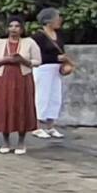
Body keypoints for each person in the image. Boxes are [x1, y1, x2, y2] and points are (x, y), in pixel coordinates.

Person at [0, 18, 41, 154]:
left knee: (21, 107)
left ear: (22, 29)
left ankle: (21, 142)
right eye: (11, 26)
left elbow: (37, 61)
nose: (14, 29)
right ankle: (6, 142)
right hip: (3, 78)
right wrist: (3, 60)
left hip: (22, 79)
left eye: (17, 26)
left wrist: (22, 60)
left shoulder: (29, 42)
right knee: (4, 107)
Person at [32, 8, 74, 139]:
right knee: (41, 97)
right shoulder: (38, 36)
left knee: (55, 97)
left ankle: (50, 125)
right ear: (49, 20)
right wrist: (55, 58)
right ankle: (36, 126)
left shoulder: (58, 35)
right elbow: (36, 54)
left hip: (55, 70)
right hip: (43, 68)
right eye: (57, 18)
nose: (59, 20)